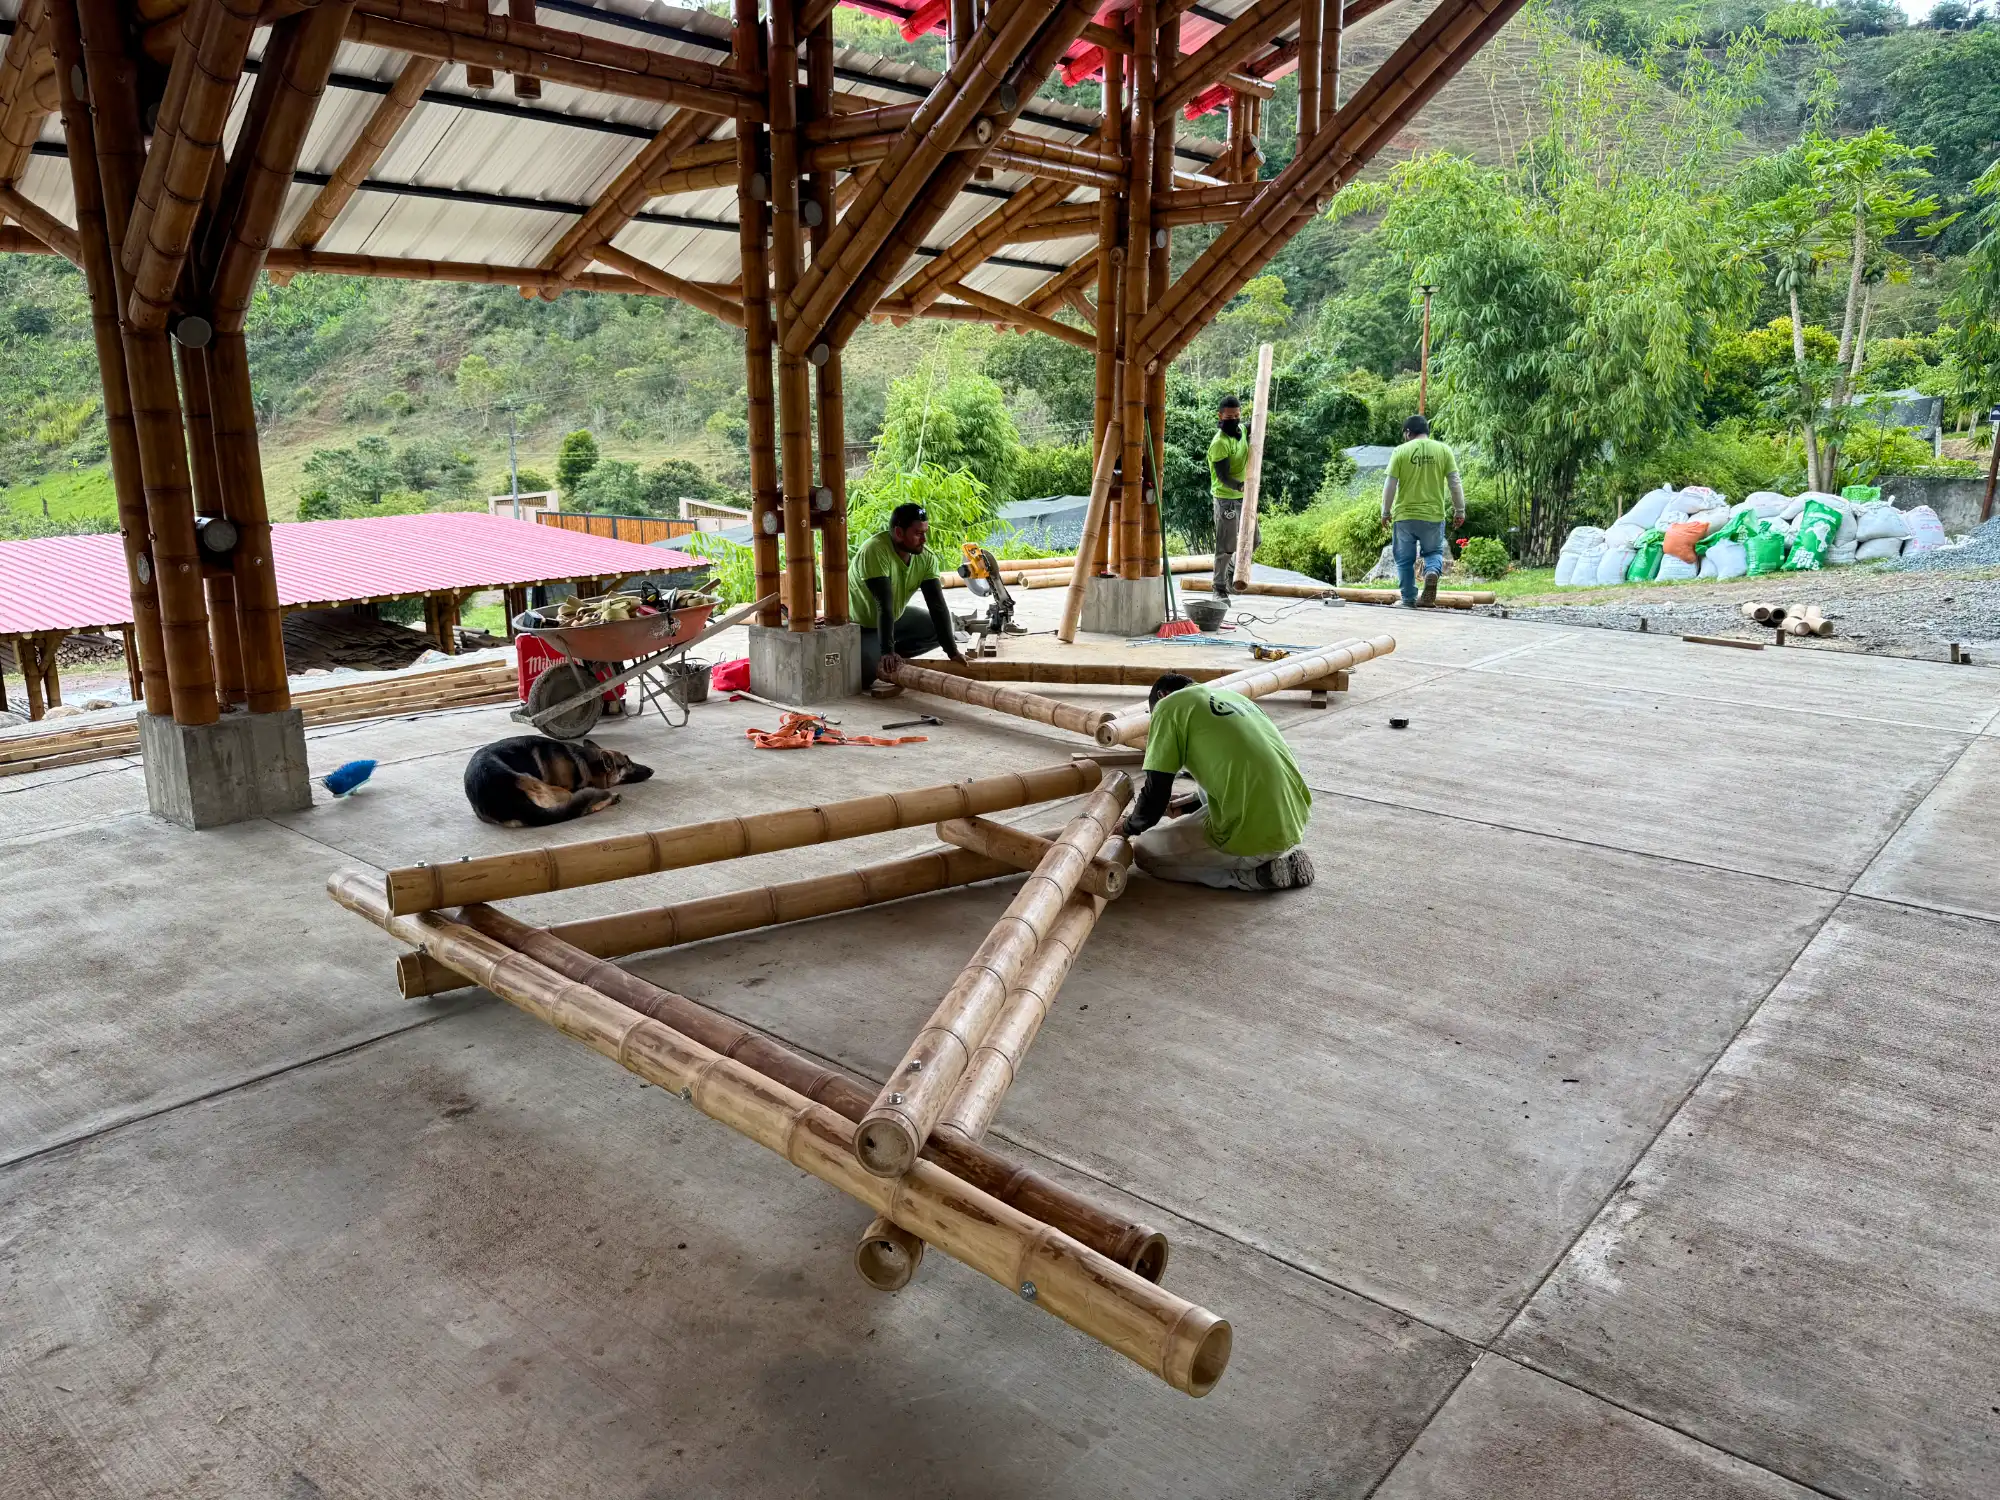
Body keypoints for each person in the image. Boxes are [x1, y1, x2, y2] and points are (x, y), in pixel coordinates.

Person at [1120, 673, 1314, 891]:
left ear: (1162, 695)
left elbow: (1155, 795)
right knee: (1204, 794)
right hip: (1292, 822)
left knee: (1144, 851)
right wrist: (1190, 803)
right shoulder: (1233, 697)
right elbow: (1239, 768)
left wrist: (1127, 827)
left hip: (1252, 837)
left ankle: (1251, 877)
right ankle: (1269, 862)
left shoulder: (1169, 706)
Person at [850, 501, 967, 683]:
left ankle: (893, 655)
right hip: (861, 626)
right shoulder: (875, 551)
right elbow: (884, 606)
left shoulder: (926, 558)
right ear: (898, 533)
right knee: (865, 674)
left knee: (938, 629)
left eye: (925, 533)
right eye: (918, 534)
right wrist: (886, 652)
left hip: (894, 619)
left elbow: (937, 606)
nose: (924, 540)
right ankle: (884, 653)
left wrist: (952, 651)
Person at [1380, 414, 1464, 608]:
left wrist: (1385, 512)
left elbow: (1390, 484)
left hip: (1405, 516)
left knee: (1404, 560)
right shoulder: (1444, 450)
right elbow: (1455, 482)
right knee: (1433, 551)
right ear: (1427, 431)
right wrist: (1460, 510)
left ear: (1408, 432)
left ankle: (1408, 599)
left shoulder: (1400, 451)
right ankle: (1431, 572)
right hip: (1433, 515)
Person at [1206, 395, 1251, 600]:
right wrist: (1241, 486)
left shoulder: (1242, 431)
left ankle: (1231, 573)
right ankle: (1219, 588)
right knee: (1226, 546)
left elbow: (1253, 425)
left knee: (1254, 539)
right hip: (1226, 499)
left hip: (1244, 496)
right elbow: (1223, 477)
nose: (1234, 419)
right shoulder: (1219, 443)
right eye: (1230, 416)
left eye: (1237, 415)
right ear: (1220, 416)